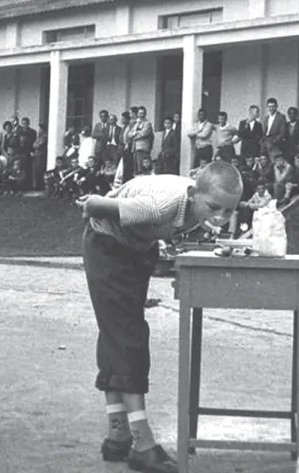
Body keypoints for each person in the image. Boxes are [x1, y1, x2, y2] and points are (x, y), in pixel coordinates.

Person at [77, 161, 243, 473]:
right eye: (214, 208)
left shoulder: (195, 202)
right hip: (107, 245)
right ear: (194, 193)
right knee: (129, 337)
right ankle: (142, 443)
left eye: (229, 211)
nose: (220, 217)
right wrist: (93, 201)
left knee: (116, 334)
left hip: (138, 248)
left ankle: (118, 435)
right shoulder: (159, 206)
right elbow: (96, 206)